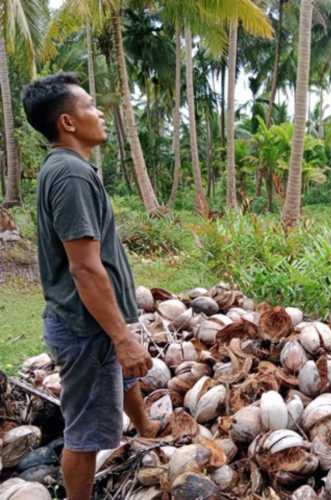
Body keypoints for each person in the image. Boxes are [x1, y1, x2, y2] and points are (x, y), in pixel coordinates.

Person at [22, 73, 159, 500]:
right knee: (85, 434)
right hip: (87, 327)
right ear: (67, 122)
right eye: (90, 106)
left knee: (124, 378)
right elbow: (85, 268)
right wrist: (121, 337)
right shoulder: (72, 177)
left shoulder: (67, 168)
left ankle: (147, 429)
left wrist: (122, 336)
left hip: (91, 320)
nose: (99, 113)